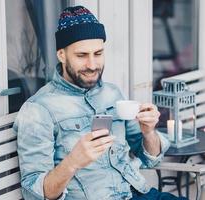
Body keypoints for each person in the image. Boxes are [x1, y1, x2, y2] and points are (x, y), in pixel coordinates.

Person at [13, 5, 187, 200]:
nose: (92, 65)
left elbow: (150, 158)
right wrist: (72, 162)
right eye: (81, 55)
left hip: (139, 193)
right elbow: (34, 193)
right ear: (61, 55)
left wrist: (148, 131)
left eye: (98, 53)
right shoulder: (38, 109)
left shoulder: (112, 93)